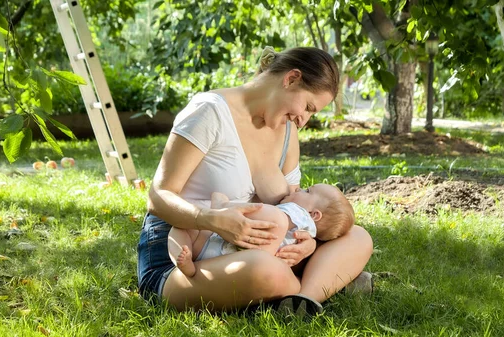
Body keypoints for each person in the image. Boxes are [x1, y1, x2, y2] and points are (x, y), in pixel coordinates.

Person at [139, 46, 373, 314]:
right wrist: (210, 219)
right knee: (266, 271)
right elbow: (158, 196)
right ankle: (321, 283)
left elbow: (296, 207)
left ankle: (304, 299)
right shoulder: (210, 112)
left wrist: (306, 244)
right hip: (186, 253)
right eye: (307, 107)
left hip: (255, 253)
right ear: (291, 78)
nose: (303, 120)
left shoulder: (288, 133)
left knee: (357, 236)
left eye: (312, 113)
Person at [168, 183, 355, 279]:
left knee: (278, 218)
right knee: (180, 227)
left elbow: (271, 216)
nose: (298, 188)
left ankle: (224, 207)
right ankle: (187, 264)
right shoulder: (302, 231)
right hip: (228, 256)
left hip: (225, 250)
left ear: (314, 215)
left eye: (307, 191)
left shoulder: (299, 216)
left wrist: (225, 207)